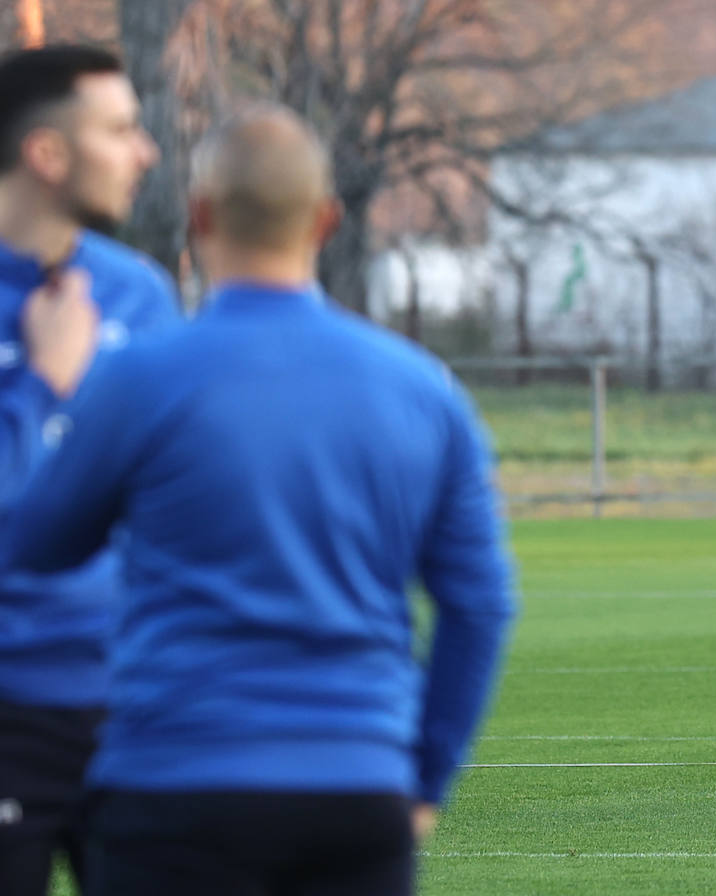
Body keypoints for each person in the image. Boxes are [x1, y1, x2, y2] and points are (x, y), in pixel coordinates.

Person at [0, 104, 516, 894]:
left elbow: (36, 543)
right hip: (356, 786)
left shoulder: (141, 377)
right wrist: (423, 779)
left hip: (173, 783)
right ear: (327, 220)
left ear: (199, 215)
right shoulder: (423, 391)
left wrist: (56, 390)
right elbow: (480, 604)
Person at [0, 45, 178, 895]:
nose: (145, 152)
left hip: (136, 704)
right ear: (47, 154)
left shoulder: (139, 294)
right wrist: (48, 385)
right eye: (120, 130)